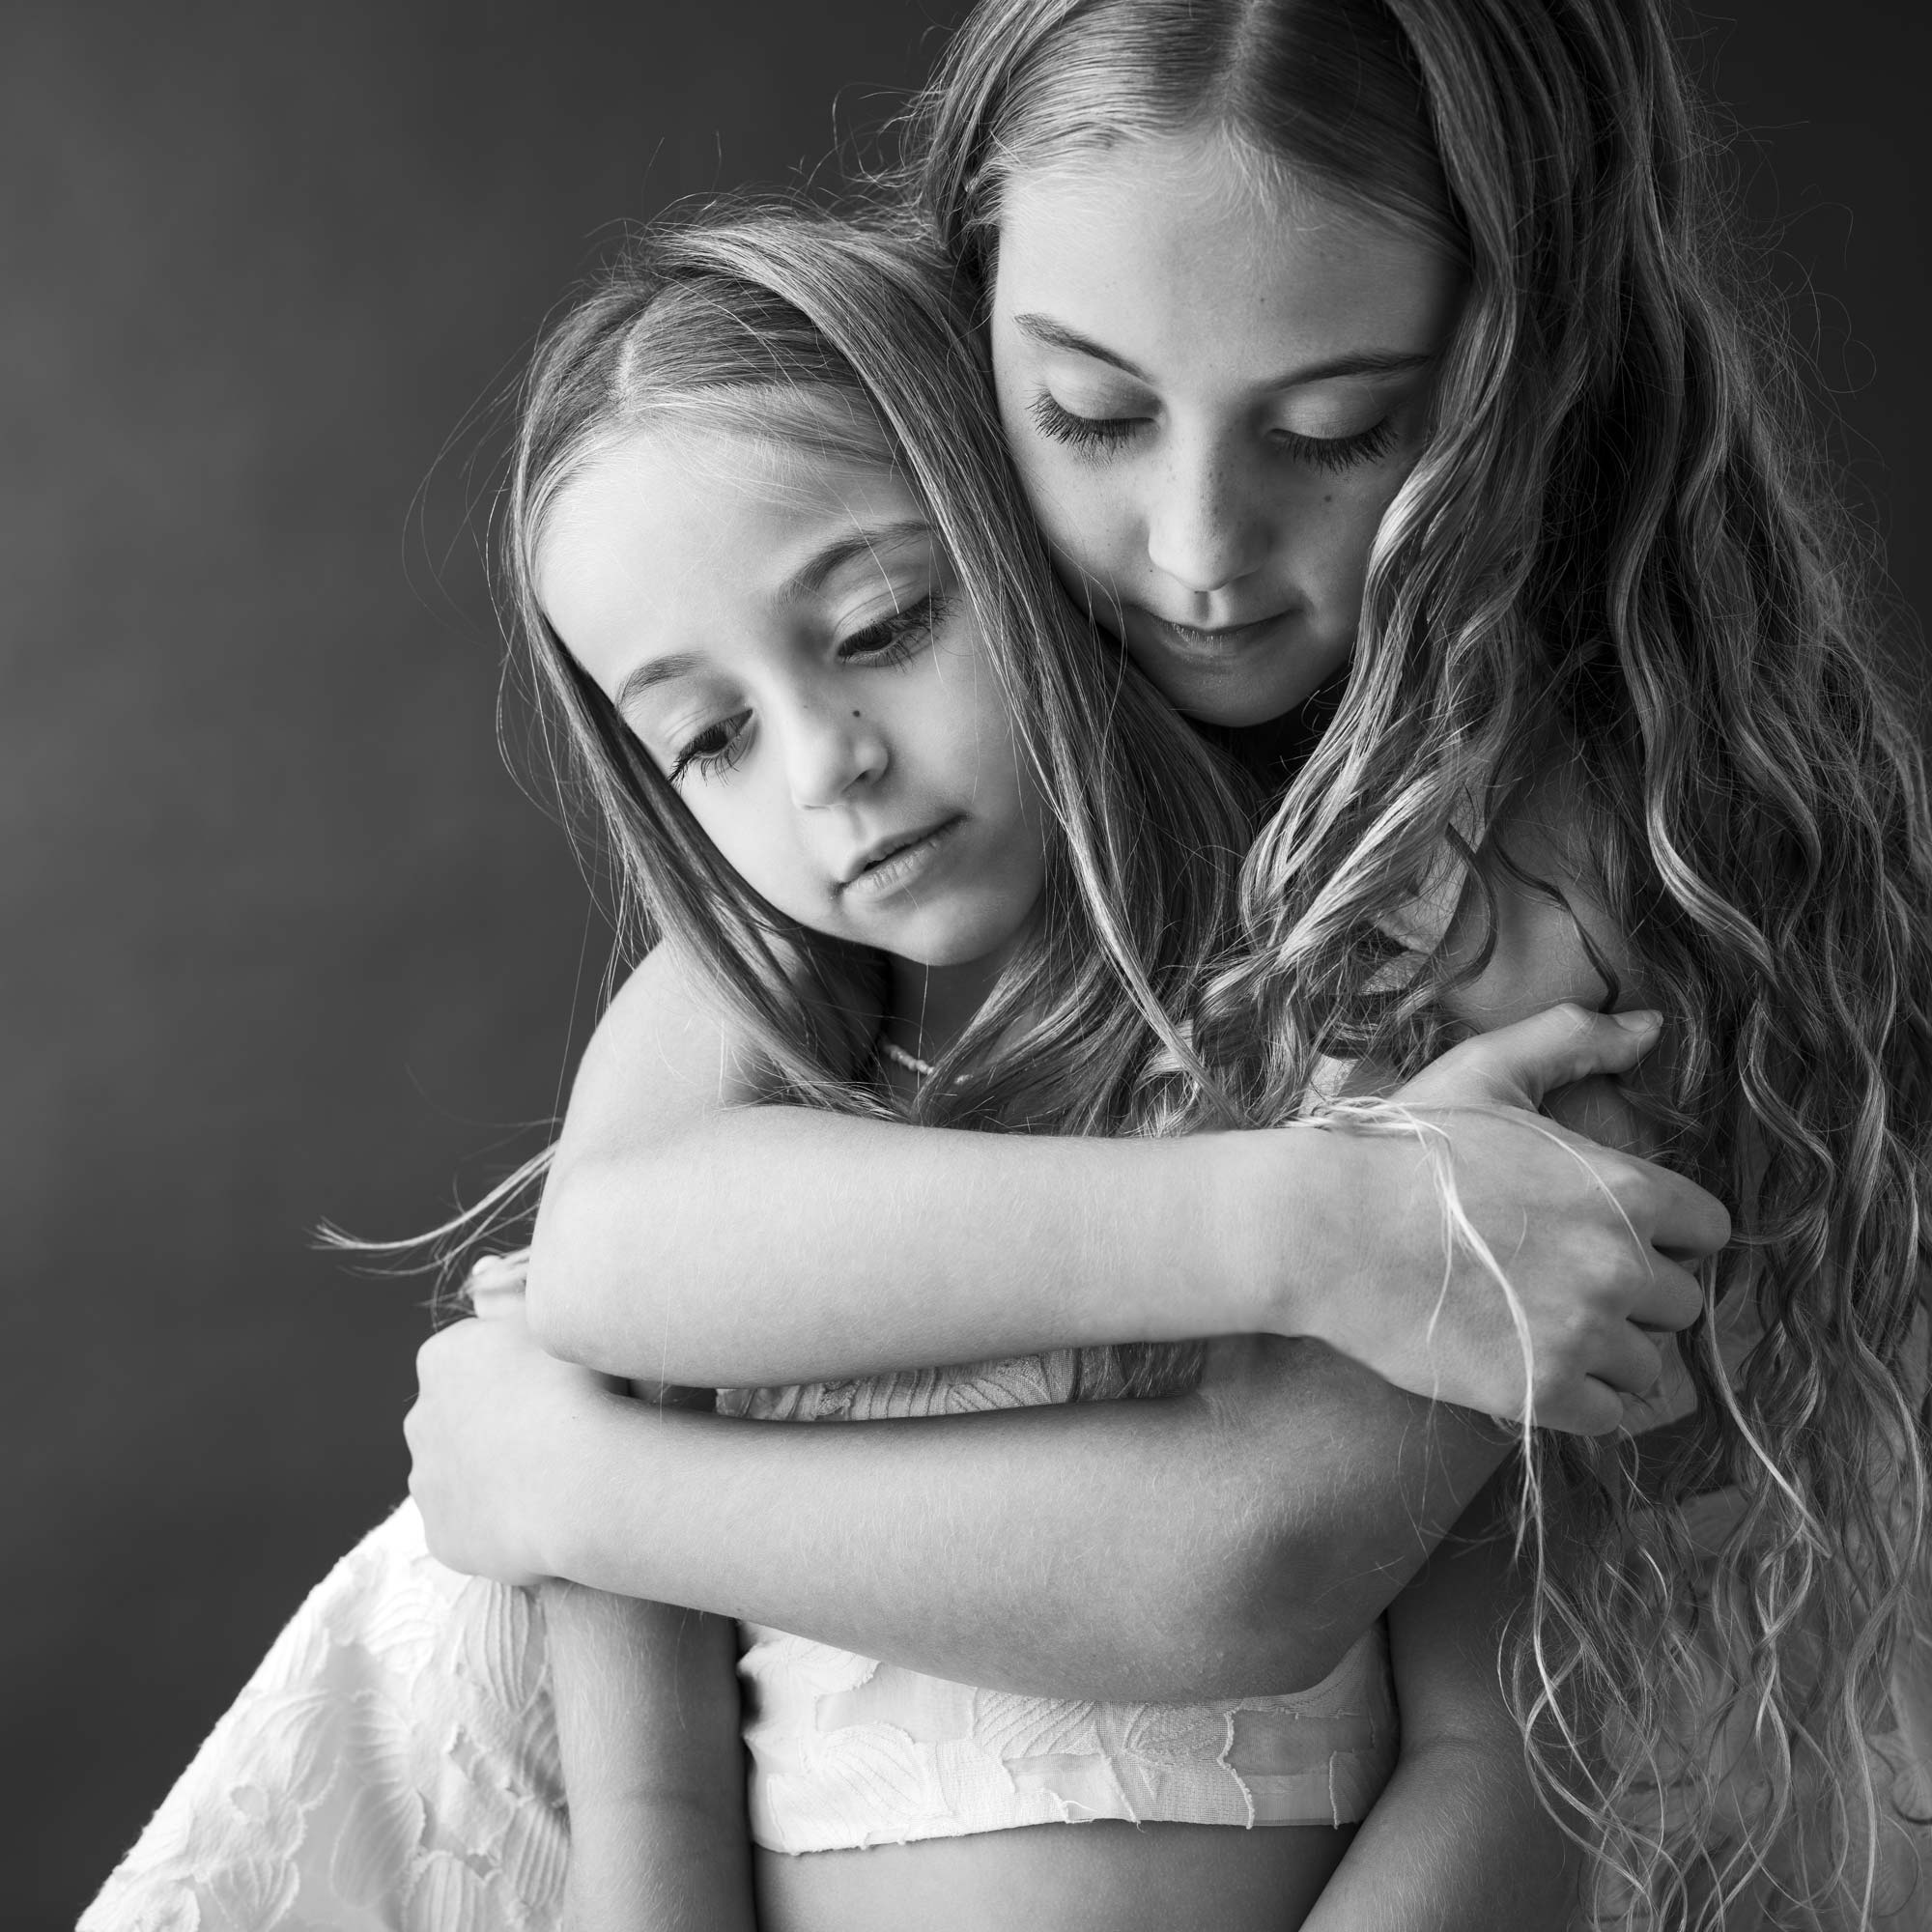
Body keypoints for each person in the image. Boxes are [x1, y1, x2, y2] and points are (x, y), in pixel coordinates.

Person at [420, 0, 1930, 1922]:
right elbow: (622, 1257)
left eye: (1337, 426)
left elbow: (1301, 1584)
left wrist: (566, 1482)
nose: (1200, 549)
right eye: (1093, 416)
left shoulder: (1518, 890)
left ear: (1530, 382)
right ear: (957, 373)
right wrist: (1309, 1227)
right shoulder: (838, 912)